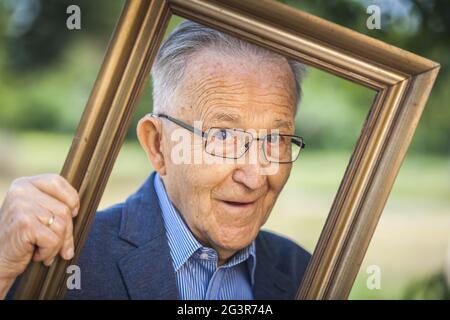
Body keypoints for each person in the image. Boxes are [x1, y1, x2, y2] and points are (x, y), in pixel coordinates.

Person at [0, 20, 310, 300]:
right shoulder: (58, 264)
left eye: (274, 140)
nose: (255, 177)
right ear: (158, 145)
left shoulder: (307, 273)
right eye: (223, 136)